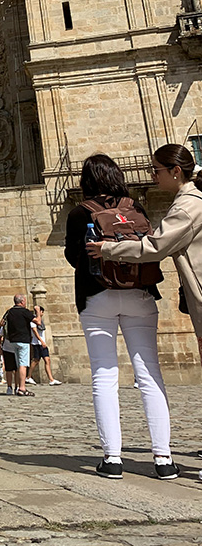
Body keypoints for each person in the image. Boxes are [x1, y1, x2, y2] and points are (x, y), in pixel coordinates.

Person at [87, 144, 202, 480]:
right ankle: (163, 458)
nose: (153, 176)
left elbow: (156, 247)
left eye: (157, 170)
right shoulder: (189, 201)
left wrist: (107, 248)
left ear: (175, 172)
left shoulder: (188, 206)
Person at [66, 153, 178, 480]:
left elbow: (76, 257)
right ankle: (164, 459)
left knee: (104, 375)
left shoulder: (79, 213)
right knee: (149, 375)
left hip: (96, 297)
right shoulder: (136, 209)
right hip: (140, 296)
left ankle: (112, 458)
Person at [2, 294, 34, 396]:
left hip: (12, 341)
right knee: (22, 365)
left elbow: (1, 323)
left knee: (14, 366)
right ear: (22, 302)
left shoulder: (9, 311)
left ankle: (14, 387)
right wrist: (37, 312)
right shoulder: (24, 312)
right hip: (23, 340)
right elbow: (37, 321)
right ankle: (22, 388)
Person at [26, 306, 61, 386]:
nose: (42, 313)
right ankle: (28, 376)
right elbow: (34, 331)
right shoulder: (33, 320)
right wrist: (41, 341)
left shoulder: (41, 321)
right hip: (37, 343)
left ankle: (51, 379)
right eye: (42, 312)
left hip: (42, 343)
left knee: (47, 360)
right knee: (36, 361)